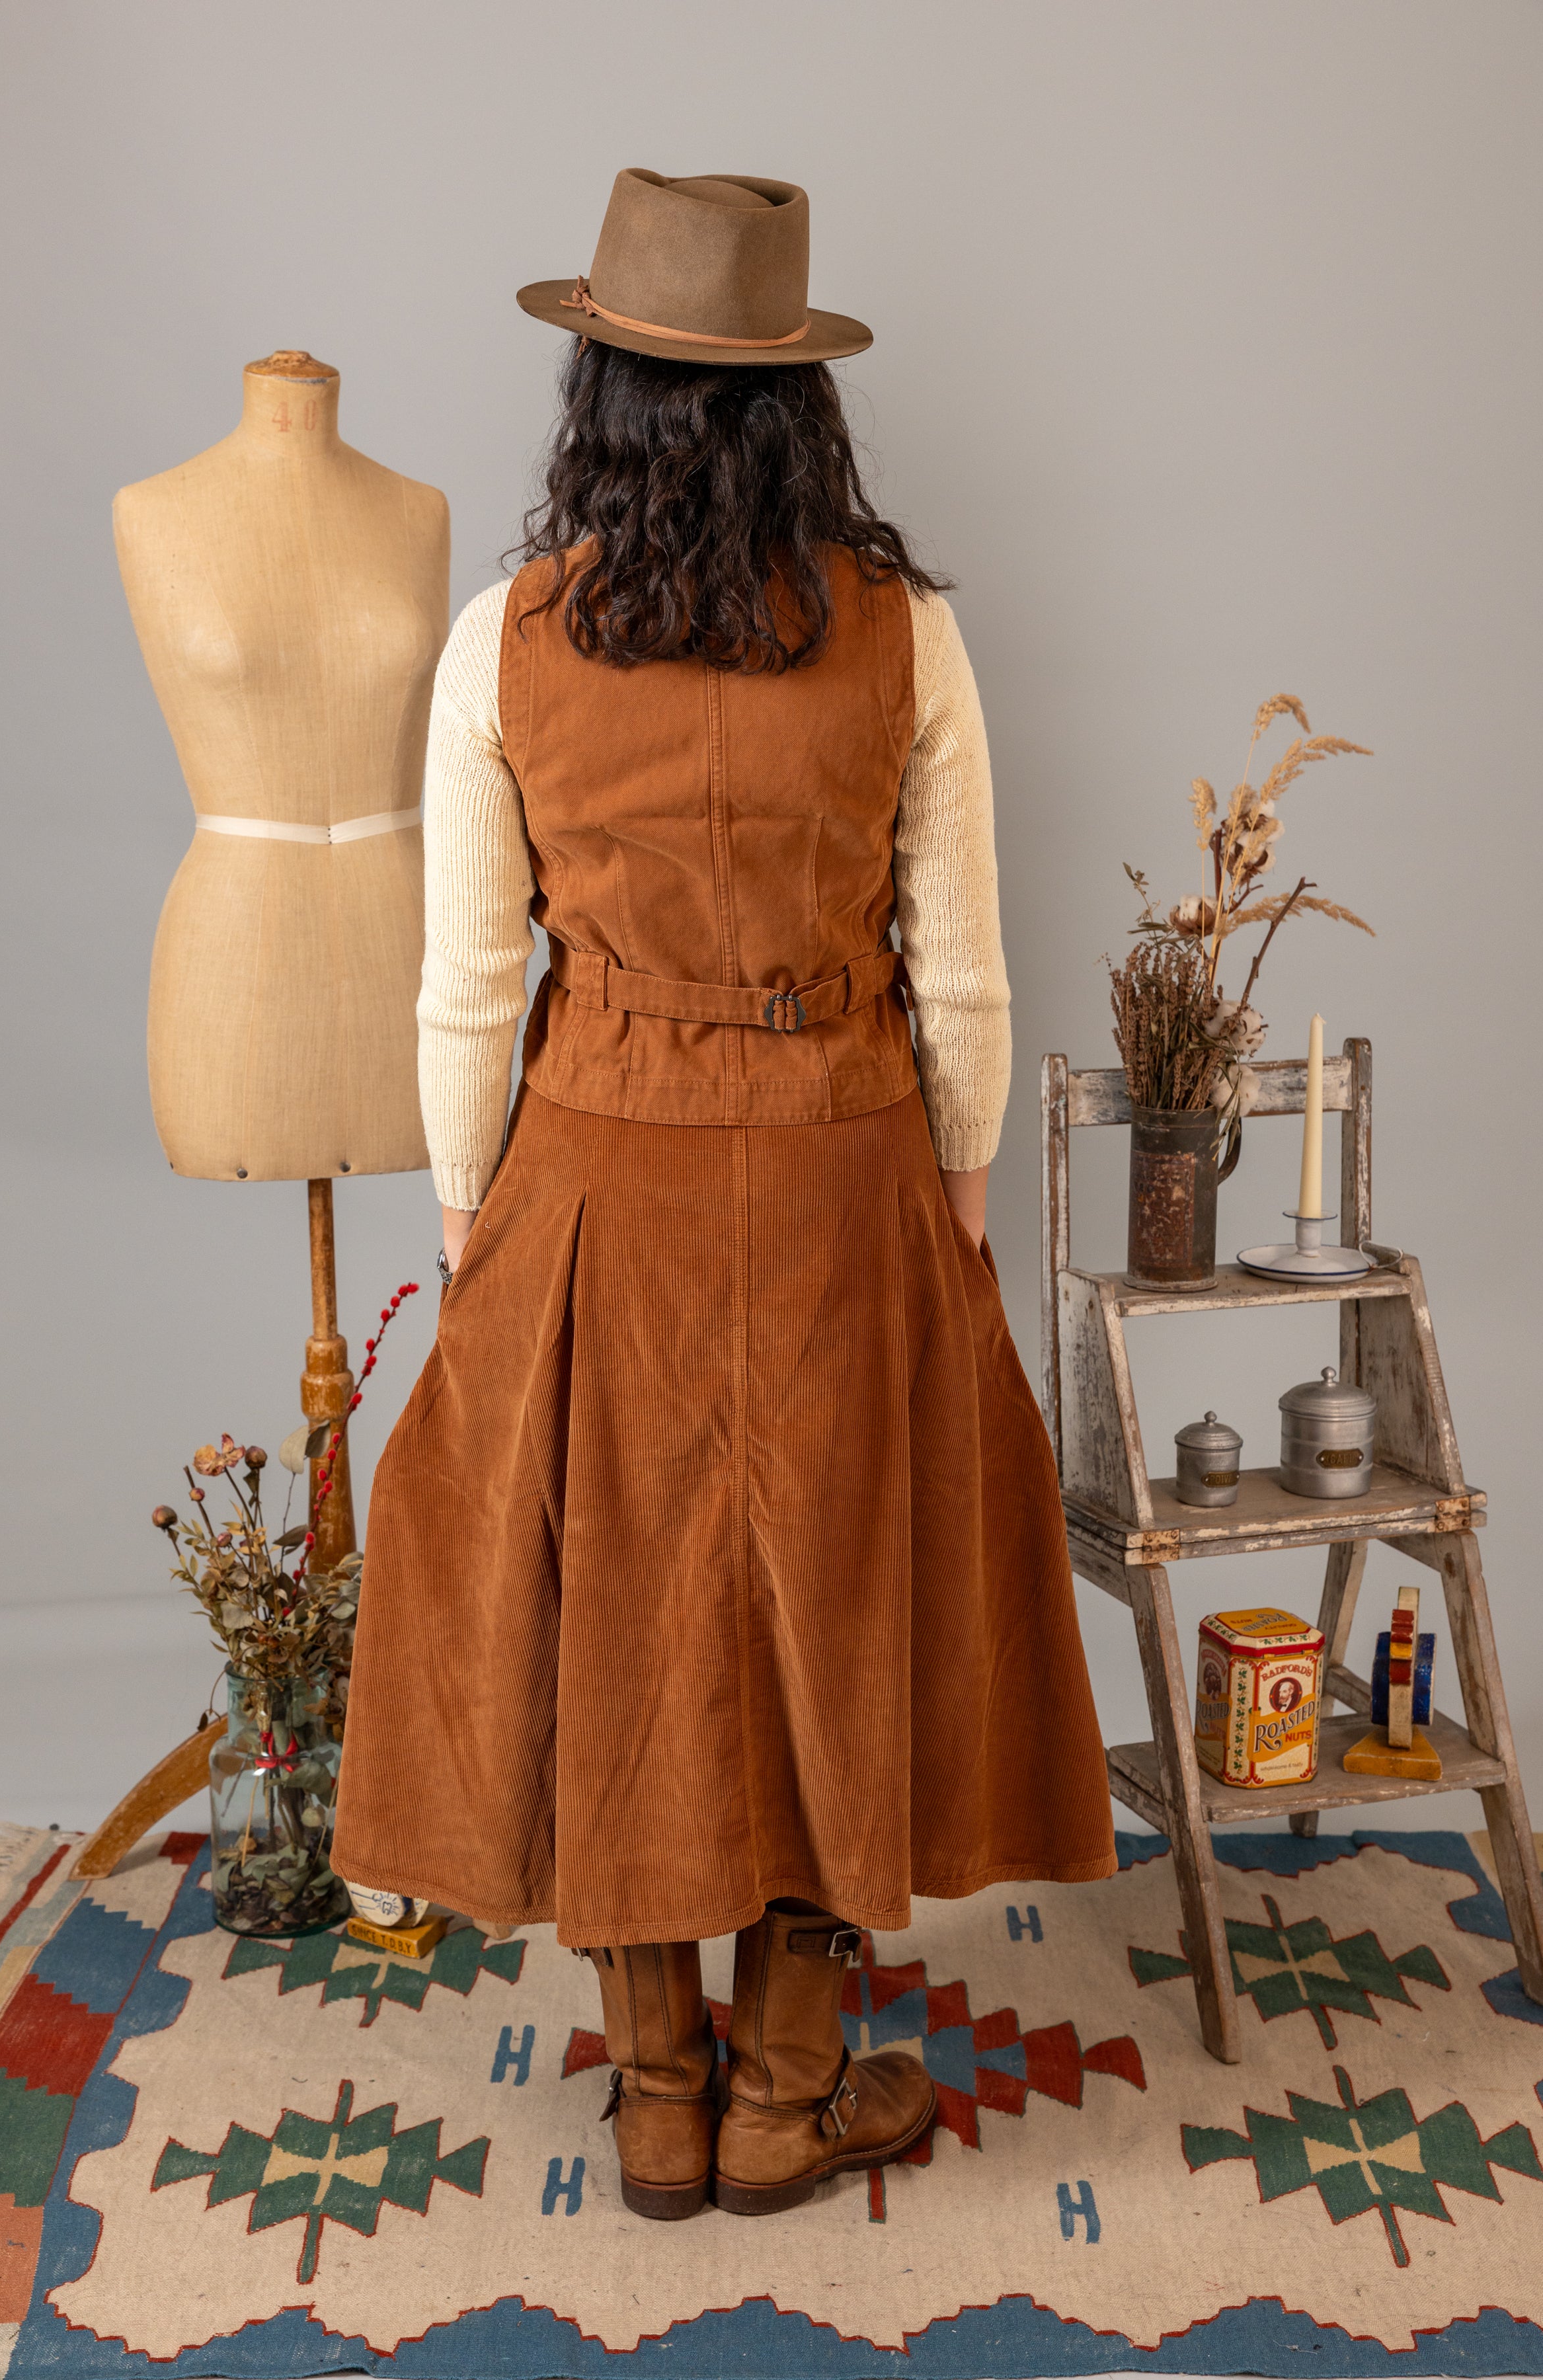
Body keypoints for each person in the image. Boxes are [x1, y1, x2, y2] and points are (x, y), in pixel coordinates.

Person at [335, 169, 1116, 2223]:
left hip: (592, 1170)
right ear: (801, 410)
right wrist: (954, 1204)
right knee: (827, 1606)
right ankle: (787, 2090)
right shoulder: (906, 635)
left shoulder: (505, 644)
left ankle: (662, 2099)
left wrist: (474, 1227)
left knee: (619, 1609)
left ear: (596, 395)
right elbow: (962, 968)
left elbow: (465, 983)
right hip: (848, 1159)